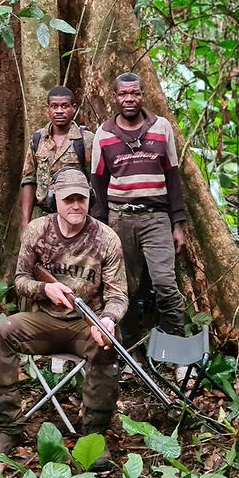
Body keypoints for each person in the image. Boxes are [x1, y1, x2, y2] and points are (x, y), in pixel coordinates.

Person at [0, 168, 128, 470]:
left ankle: (93, 436)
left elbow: (118, 294)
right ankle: (6, 429)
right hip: (44, 321)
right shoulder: (37, 230)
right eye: (68, 199)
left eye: (81, 199)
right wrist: (45, 288)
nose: (76, 206)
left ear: (90, 200)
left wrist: (109, 320)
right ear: (55, 201)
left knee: (110, 344)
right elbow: (20, 279)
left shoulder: (107, 238)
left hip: (86, 325)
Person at [90, 73, 189, 380]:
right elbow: (99, 182)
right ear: (114, 98)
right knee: (125, 289)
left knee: (164, 284)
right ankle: (130, 353)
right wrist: (101, 228)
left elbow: (173, 177)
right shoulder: (103, 135)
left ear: (143, 95)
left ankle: (179, 356)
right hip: (120, 219)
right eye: (123, 94)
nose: (129, 99)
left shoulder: (161, 128)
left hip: (155, 218)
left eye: (135, 93)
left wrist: (178, 223)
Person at [19, 86, 94, 233]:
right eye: (54, 106)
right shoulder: (38, 139)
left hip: (75, 216)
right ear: (47, 109)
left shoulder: (86, 140)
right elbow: (29, 179)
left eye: (64, 106)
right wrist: (25, 224)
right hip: (43, 216)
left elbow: (94, 181)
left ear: (74, 108)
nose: (59, 111)